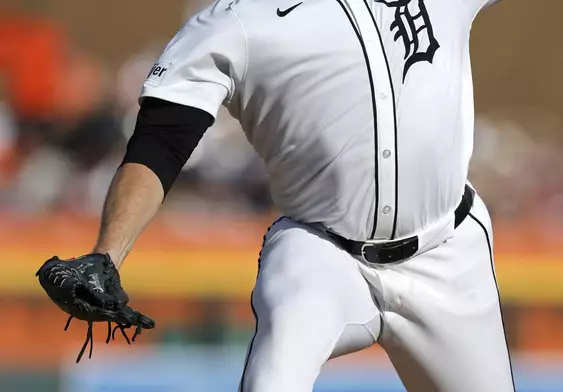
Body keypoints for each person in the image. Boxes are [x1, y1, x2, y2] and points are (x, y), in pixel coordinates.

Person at [89, 0, 515, 390]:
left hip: (447, 252)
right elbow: (159, 144)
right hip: (324, 253)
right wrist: (106, 255)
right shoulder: (234, 21)